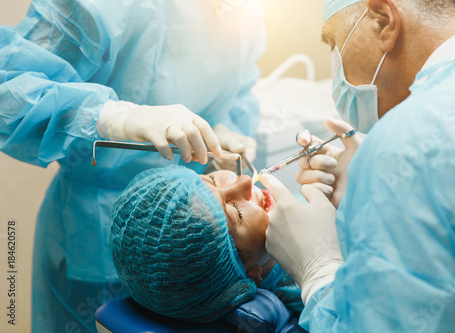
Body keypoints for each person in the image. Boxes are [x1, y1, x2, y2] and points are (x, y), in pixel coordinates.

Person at [0, 0, 265, 331]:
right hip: (91, 227)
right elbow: (8, 88)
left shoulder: (244, 10)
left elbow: (238, 89)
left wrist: (222, 126)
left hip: (200, 247)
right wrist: (114, 117)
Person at [259, 0, 455, 332]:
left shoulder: (409, 141)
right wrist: (378, 183)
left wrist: (319, 272)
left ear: (383, 20)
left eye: (332, 42)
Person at [107, 165, 303, 322]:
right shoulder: (308, 292)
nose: (244, 181)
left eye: (212, 179)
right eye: (236, 211)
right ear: (247, 274)